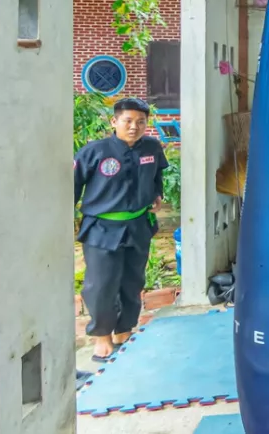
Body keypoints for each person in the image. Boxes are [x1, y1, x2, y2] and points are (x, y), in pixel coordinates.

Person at [74, 98, 169, 362]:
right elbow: (73, 185)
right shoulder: (94, 151)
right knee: (101, 284)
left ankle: (124, 331)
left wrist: (157, 194)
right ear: (114, 121)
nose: (134, 127)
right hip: (101, 228)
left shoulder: (152, 148)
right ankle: (102, 336)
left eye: (141, 122)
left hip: (138, 225)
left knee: (132, 281)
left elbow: (157, 176)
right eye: (128, 121)